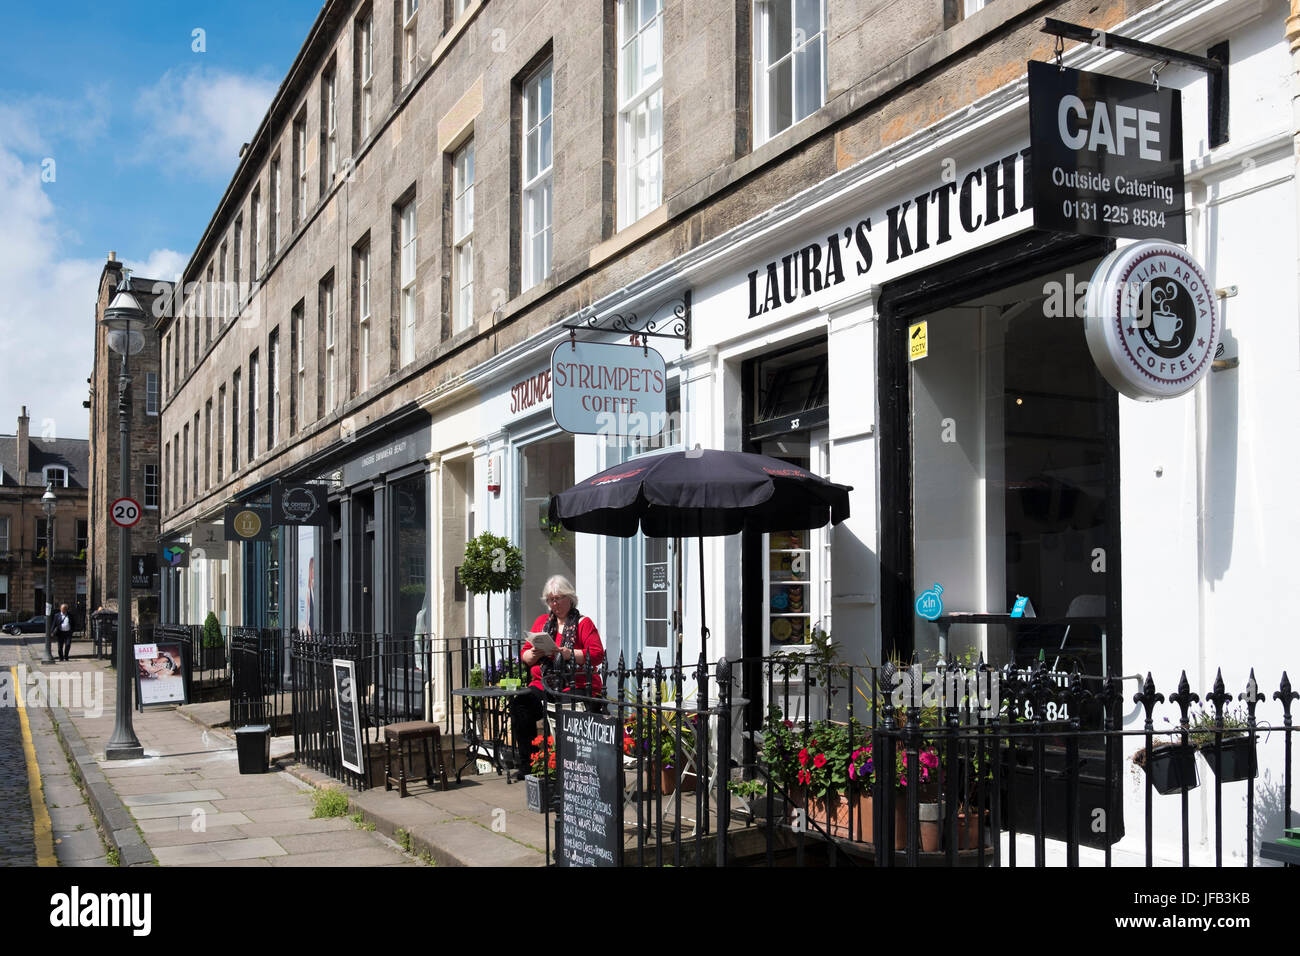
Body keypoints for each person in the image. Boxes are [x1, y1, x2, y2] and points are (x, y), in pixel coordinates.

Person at [508, 575, 605, 779]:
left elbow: (596, 654)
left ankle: (569, 769)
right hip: (545, 683)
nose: (555, 604)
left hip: (575, 683)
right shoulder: (542, 622)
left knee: (566, 714)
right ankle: (530, 765)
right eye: (551, 600)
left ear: (570, 598)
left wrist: (569, 653)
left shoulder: (583, 623)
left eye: (559, 598)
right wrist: (533, 654)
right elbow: (525, 656)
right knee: (521, 706)